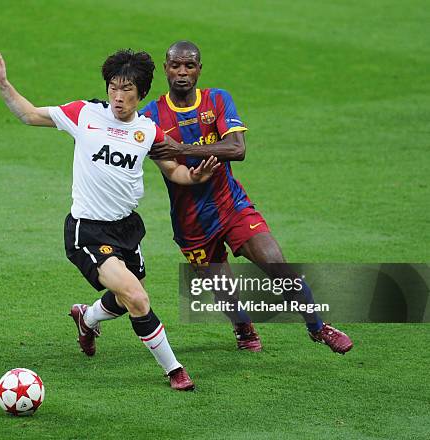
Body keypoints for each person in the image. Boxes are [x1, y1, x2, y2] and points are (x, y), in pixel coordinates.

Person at [0, 48, 220, 390]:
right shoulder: (84, 114)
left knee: (127, 295)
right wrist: (3, 82)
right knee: (136, 298)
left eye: (127, 90)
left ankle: (87, 317)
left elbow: (175, 172)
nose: (118, 97)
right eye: (113, 87)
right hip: (88, 230)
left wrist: (196, 176)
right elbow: (29, 114)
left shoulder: (148, 132)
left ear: (141, 94)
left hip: (125, 228)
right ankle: (174, 370)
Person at [142, 41, 353, 354]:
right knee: (224, 290)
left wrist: (183, 149)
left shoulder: (217, 99)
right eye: (176, 66)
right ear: (165, 68)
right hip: (192, 224)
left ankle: (318, 327)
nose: (182, 72)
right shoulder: (151, 116)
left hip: (233, 206)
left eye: (189, 66)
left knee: (278, 266)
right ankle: (243, 328)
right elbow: (169, 166)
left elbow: (237, 149)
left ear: (200, 69)